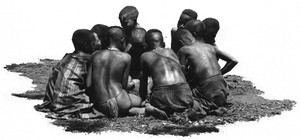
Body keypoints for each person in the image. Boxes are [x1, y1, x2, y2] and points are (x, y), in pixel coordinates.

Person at [86, 26, 164, 118]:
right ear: (123, 40)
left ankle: (140, 111)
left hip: (103, 103)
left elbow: (88, 84)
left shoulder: (95, 55)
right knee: (138, 101)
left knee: (120, 108)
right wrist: (133, 83)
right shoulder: (126, 57)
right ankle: (145, 109)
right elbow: (124, 85)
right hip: (121, 99)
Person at [34, 29, 101, 117]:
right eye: (96, 41)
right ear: (87, 45)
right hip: (75, 105)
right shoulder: (90, 60)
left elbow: (53, 80)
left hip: (56, 104)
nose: (100, 43)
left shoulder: (66, 58)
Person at [178, 20, 238, 114]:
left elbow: (181, 74)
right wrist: (219, 74)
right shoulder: (211, 47)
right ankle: (217, 105)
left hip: (206, 92)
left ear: (193, 34)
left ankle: (203, 107)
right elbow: (233, 61)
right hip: (222, 92)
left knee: (183, 98)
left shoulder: (184, 49)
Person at [139, 29, 199, 118]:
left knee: (146, 102)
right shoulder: (171, 52)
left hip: (163, 97)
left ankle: (151, 109)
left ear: (146, 44)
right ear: (162, 42)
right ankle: (184, 109)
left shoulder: (145, 56)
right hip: (184, 95)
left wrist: (143, 99)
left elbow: (143, 82)